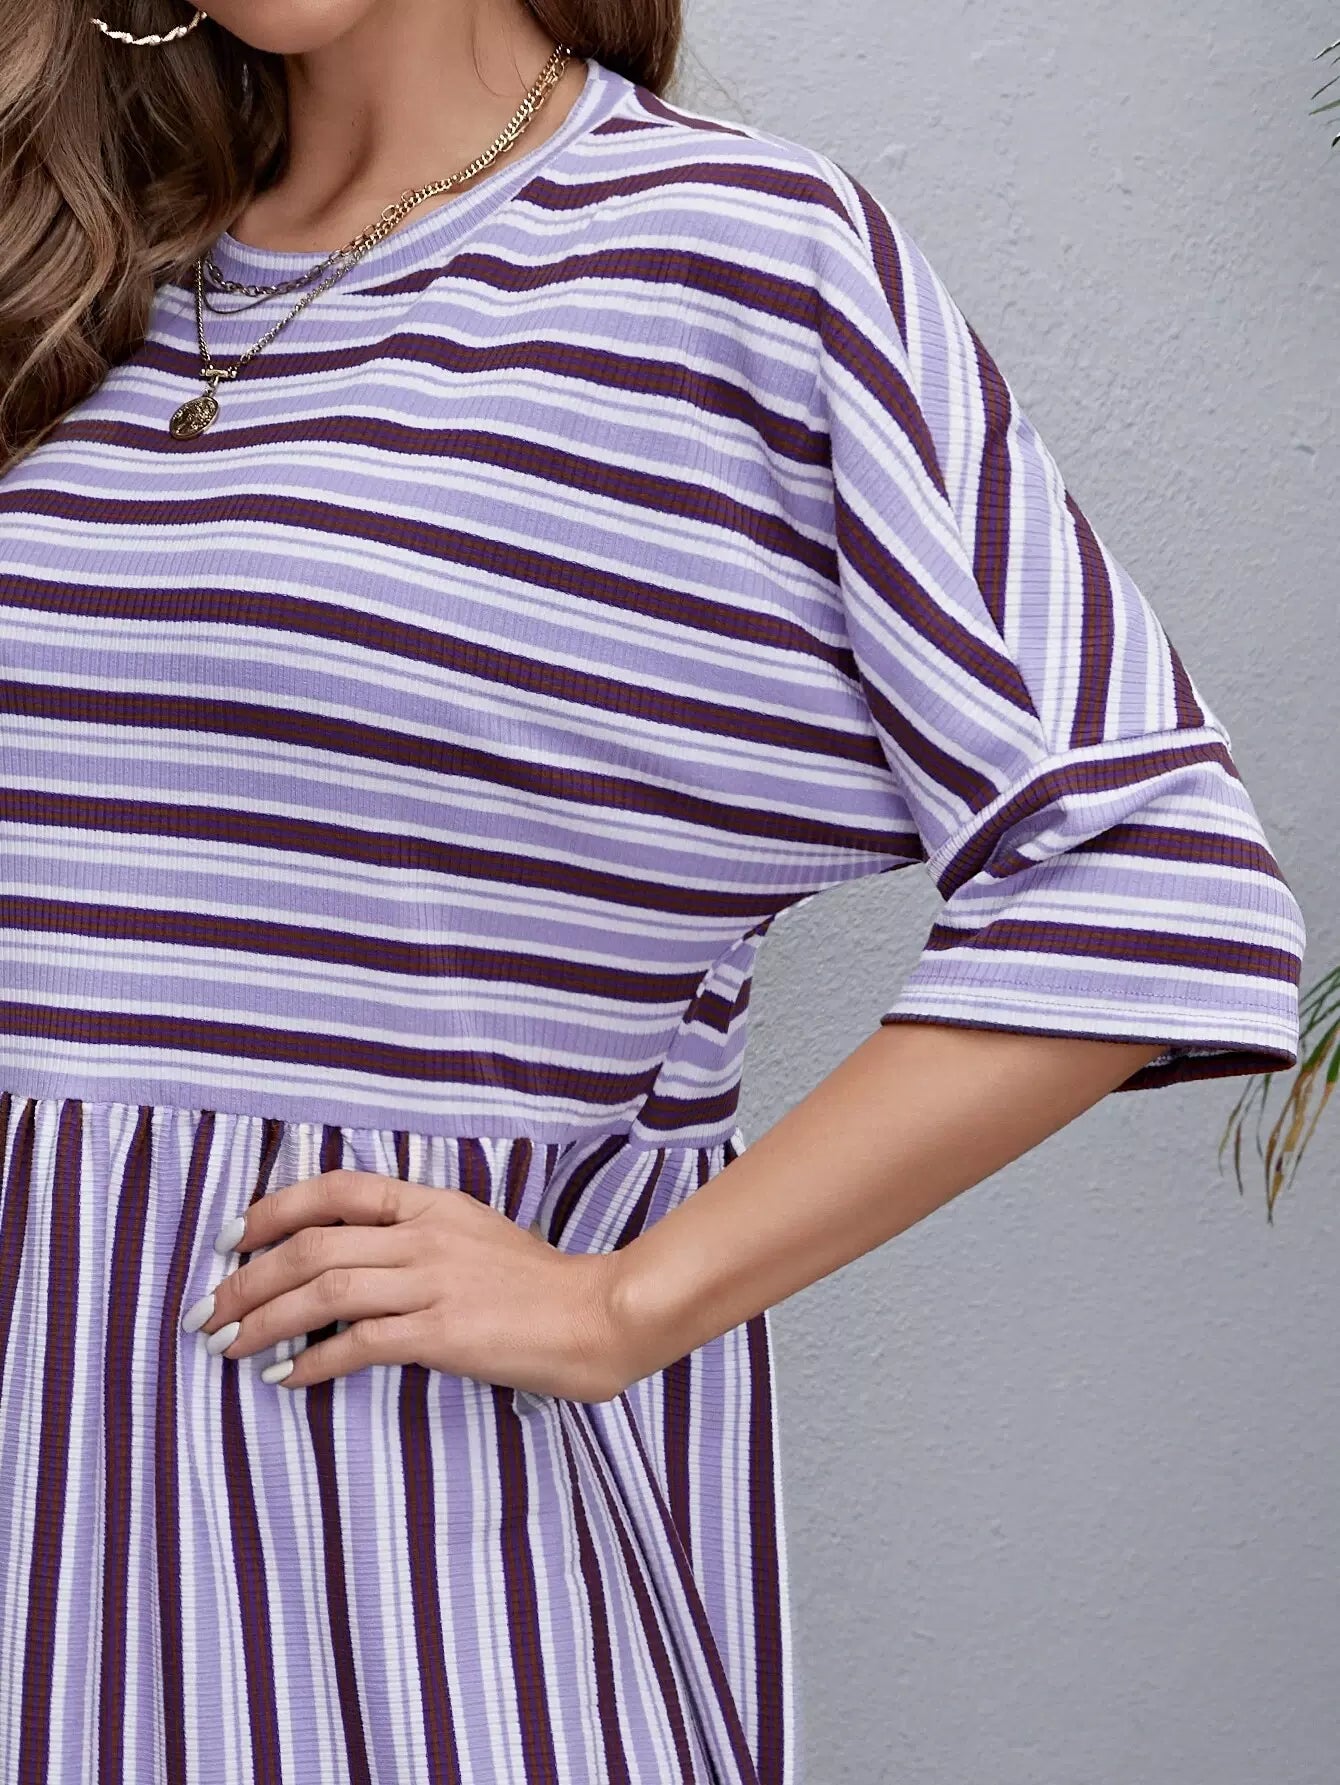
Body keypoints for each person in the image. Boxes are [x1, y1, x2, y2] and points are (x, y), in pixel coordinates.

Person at [0, 0, 1305, 1779]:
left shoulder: (733, 261)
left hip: (391, 1562)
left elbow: (1152, 876)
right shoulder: (76, 256)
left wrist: (623, 1303)